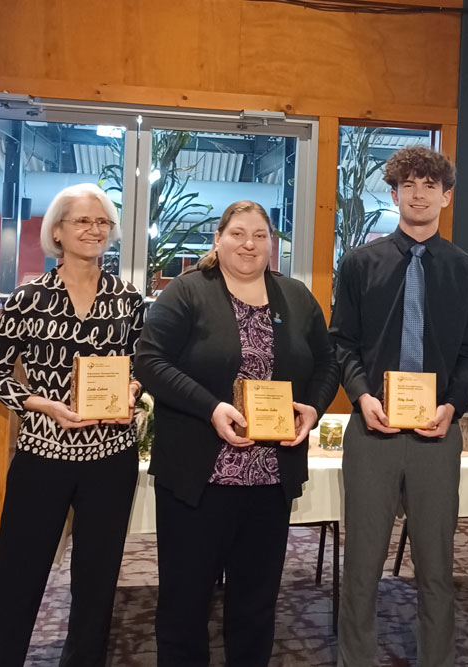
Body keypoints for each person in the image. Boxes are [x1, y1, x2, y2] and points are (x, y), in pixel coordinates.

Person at [135, 200, 339, 667]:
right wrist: (212, 408)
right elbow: (149, 360)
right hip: (198, 479)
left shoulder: (296, 297)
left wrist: (314, 408)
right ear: (218, 240)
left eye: (261, 235)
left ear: (272, 243)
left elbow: (327, 361)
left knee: (256, 602)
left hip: (270, 479)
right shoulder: (187, 292)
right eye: (238, 234)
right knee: (185, 602)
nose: (249, 244)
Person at [0, 183, 145, 667]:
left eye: (102, 222)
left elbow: (145, 364)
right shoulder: (30, 296)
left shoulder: (127, 298)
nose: (94, 230)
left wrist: (132, 389)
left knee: (98, 578)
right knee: (17, 576)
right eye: (82, 221)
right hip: (43, 456)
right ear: (58, 231)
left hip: (111, 457)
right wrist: (41, 405)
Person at [330, 146, 468, 667]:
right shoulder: (359, 263)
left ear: (445, 197)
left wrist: (451, 406)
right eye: (408, 185)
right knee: (361, 562)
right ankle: (356, 659)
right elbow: (342, 342)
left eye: (429, 185)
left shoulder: (466, 271)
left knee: (437, 562)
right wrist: (362, 395)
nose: (418, 194)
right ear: (394, 194)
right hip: (371, 429)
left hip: (437, 434)